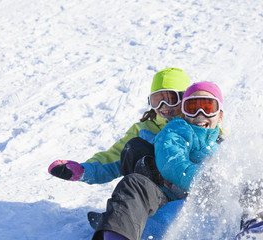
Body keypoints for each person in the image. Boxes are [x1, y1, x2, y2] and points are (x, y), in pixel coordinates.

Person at [92, 81, 225, 240]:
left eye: (208, 108)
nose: (200, 114)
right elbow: (172, 162)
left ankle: (254, 224)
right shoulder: (176, 131)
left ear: (220, 115)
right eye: (192, 108)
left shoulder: (225, 145)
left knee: (253, 182)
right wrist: (205, 182)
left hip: (212, 208)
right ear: (184, 112)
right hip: (170, 201)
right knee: (134, 184)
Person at [48, 67, 190, 184]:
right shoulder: (143, 129)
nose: (163, 106)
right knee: (134, 147)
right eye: (156, 100)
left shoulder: (196, 125)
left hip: (186, 192)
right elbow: (115, 156)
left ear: (185, 98)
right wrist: (84, 170)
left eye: (171, 99)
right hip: (151, 192)